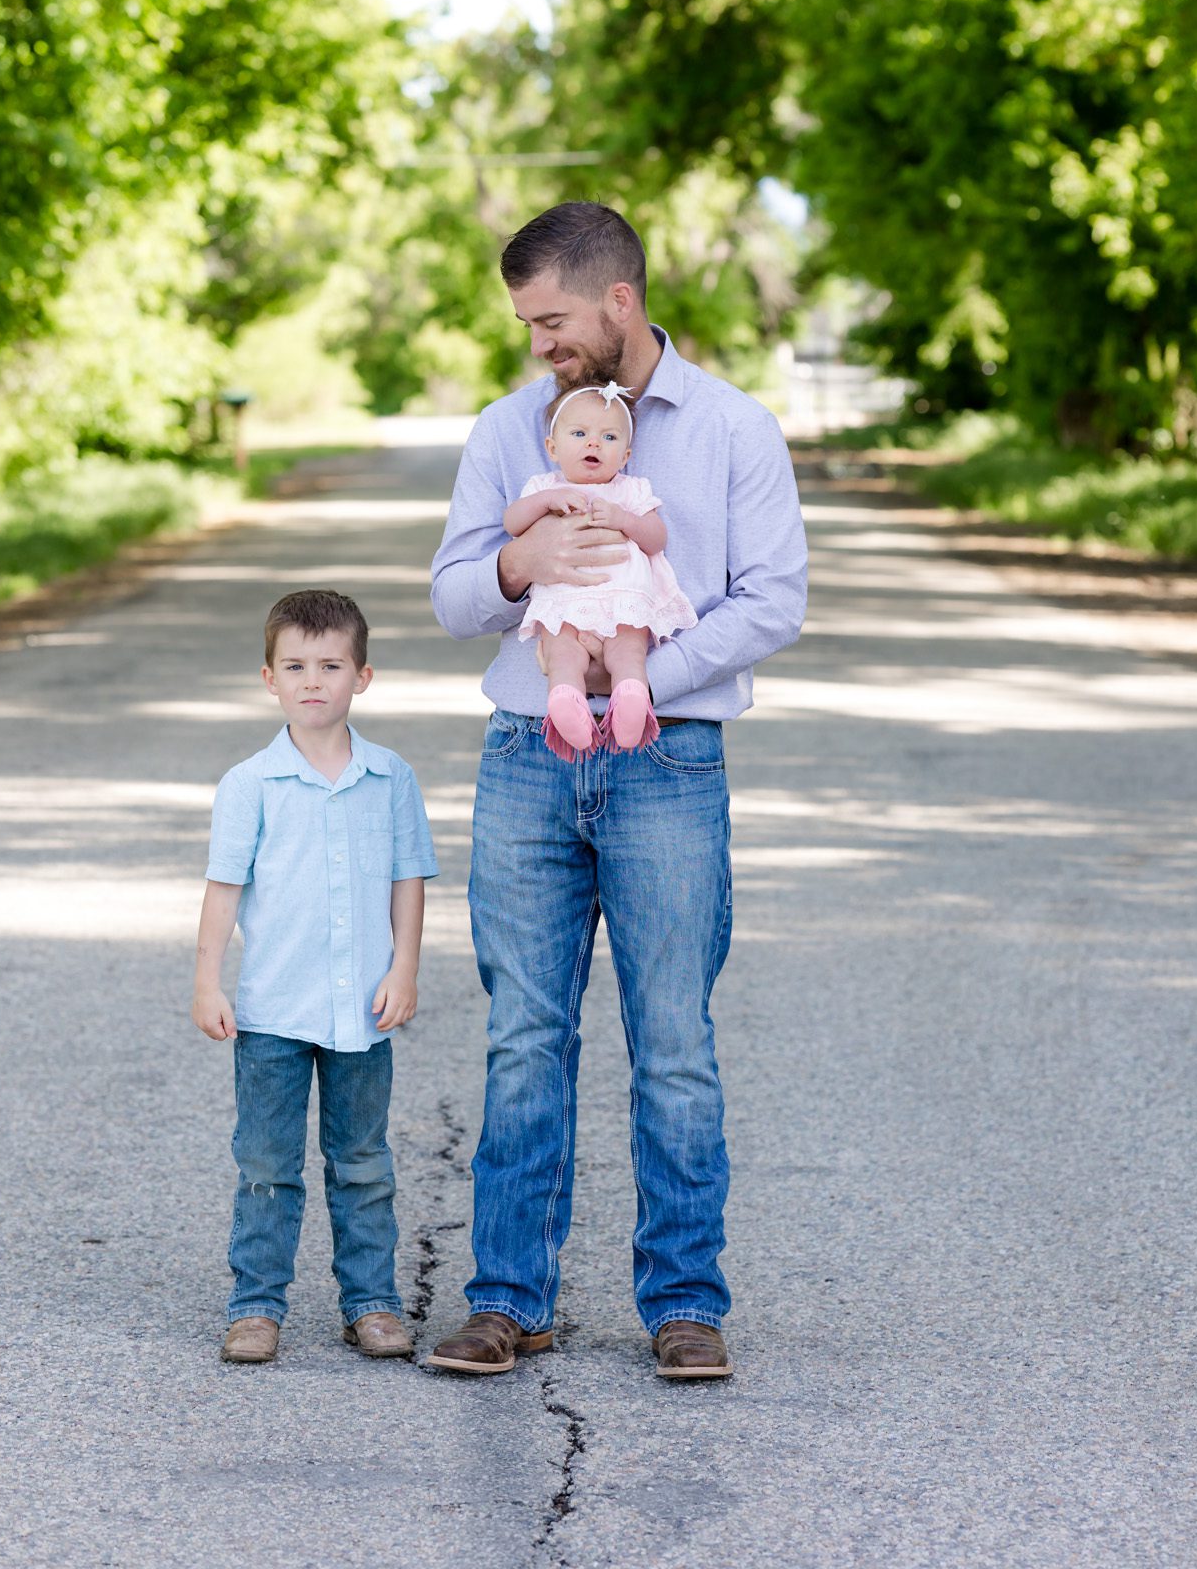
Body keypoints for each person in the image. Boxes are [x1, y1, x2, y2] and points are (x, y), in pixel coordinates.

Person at [426, 201, 807, 1380]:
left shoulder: (735, 428)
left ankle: (685, 1302)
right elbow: (451, 593)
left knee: (674, 1040)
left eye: (552, 319)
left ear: (620, 302)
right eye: (529, 324)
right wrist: (517, 562)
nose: (539, 342)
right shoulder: (507, 428)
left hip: (667, 761)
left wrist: (639, 685)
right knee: (524, 1035)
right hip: (527, 757)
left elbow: (773, 599)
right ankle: (508, 1299)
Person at [192, 587, 436, 1366]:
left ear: (362, 677)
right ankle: (256, 1307)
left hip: (362, 1009)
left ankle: (371, 1304)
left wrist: (404, 967)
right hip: (272, 1011)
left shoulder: (390, 777)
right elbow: (223, 890)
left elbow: (407, 880)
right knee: (266, 1165)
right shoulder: (250, 784)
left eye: (330, 666)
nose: (312, 681)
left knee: (362, 1164)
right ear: (269, 678)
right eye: (295, 666)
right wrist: (208, 982)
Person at [506, 377, 697, 760]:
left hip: (623, 599)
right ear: (553, 448)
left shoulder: (630, 490)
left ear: (625, 456)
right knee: (561, 653)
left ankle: (631, 699)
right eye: (579, 433)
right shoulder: (544, 487)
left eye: (609, 437)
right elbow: (512, 524)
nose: (594, 443)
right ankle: (565, 702)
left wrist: (624, 519)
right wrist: (546, 501)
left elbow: (656, 539)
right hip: (564, 602)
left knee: (628, 652)